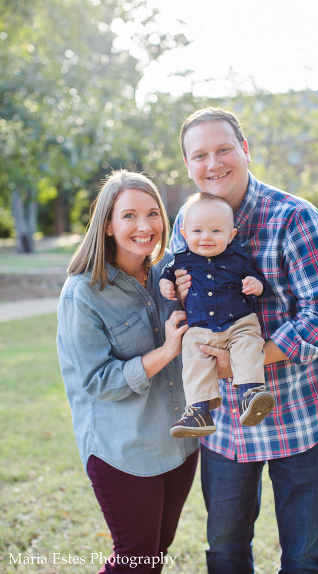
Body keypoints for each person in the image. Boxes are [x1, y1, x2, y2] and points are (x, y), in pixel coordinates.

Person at [171, 107, 318, 573]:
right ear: (188, 165)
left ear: (245, 150)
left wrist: (244, 363)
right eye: (200, 155)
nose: (214, 164)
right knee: (225, 553)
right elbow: (179, 302)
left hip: (301, 416)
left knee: (304, 557)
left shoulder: (295, 218)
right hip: (224, 424)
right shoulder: (185, 224)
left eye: (224, 149)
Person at [57, 170, 198, 573]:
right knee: (134, 560)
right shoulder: (83, 293)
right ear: (107, 224)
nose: (144, 226)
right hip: (123, 450)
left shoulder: (170, 271)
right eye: (130, 215)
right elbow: (98, 381)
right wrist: (167, 349)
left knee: (155, 553)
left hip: (179, 442)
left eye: (153, 213)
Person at [159, 192, 275, 438]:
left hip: (239, 323)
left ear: (231, 235)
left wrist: (257, 285)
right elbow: (167, 276)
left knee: (248, 345)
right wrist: (165, 285)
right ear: (184, 233)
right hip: (201, 329)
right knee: (193, 358)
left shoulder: (238, 258)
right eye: (198, 231)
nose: (206, 238)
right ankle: (199, 411)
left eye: (216, 231)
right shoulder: (180, 260)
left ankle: (251, 393)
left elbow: (258, 282)